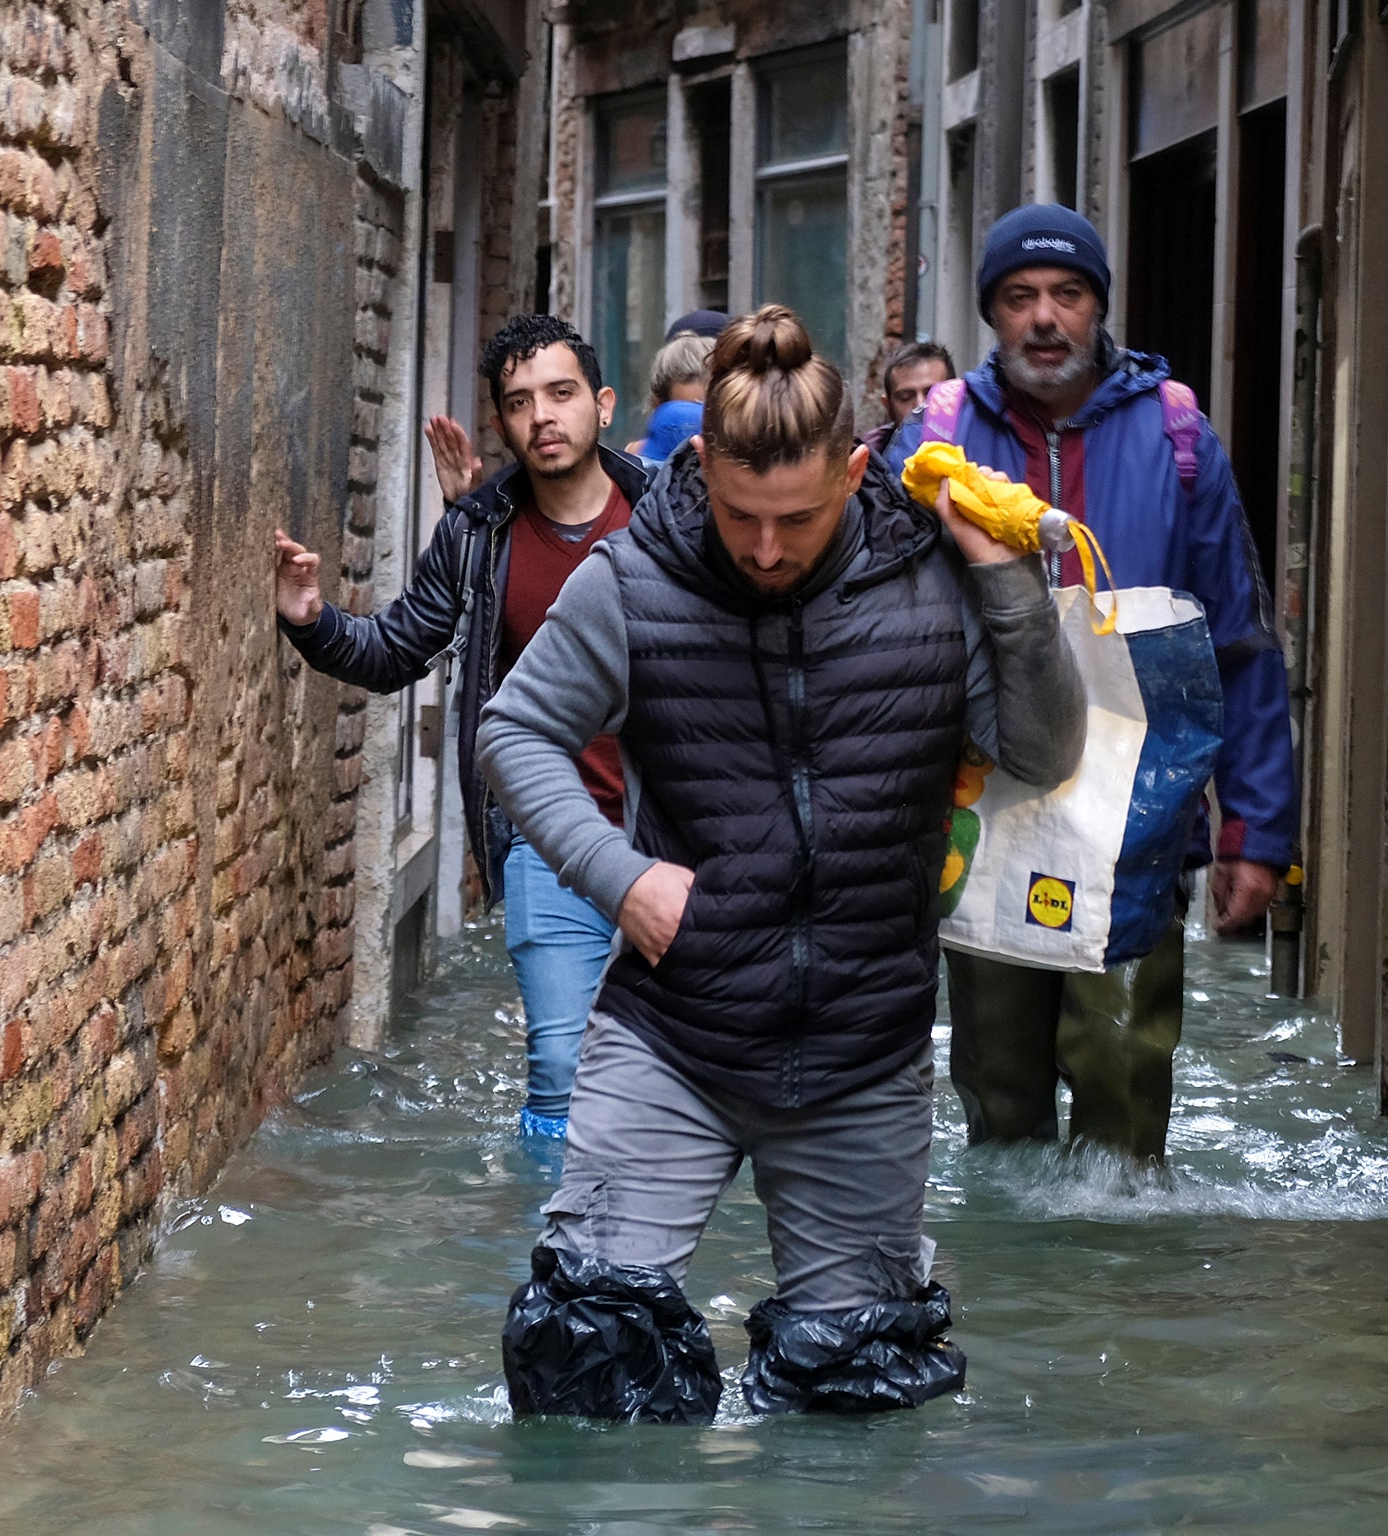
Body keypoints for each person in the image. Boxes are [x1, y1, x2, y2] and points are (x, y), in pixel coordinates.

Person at [476, 304, 1085, 1421]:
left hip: (862, 1048)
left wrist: (1003, 581)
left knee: (847, 1409)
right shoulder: (633, 582)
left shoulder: (935, 586)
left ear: (856, 471)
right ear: (697, 465)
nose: (763, 548)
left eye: (795, 520)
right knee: (585, 1372)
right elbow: (512, 733)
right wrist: (621, 878)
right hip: (674, 1034)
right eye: (738, 513)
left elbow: (1043, 752)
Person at [889, 203, 1298, 1165]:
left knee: (1124, 1074)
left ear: (1098, 307)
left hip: (1140, 817)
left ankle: (1113, 1288)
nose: (1045, 317)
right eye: (1021, 297)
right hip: (985, 800)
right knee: (998, 1088)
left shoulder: (1178, 435)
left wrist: (1255, 831)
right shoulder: (937, 439)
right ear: (992, 312)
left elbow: (1236, 643)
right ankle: (1017, 1297)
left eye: (1068, 295)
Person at [273, 315, 647, 1139]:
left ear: (603, 404)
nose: (543, 416)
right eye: (520, 403)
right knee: (559, 1068)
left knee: (680, 1064)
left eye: (561, 393)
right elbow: (397, 648)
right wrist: (310, 619)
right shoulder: (476, 534)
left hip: (676, 827)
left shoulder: (669, 515)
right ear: (504, 423)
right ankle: (559, 1251)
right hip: (548, 832)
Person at [625, 331, 715, 464]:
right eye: (683, 418)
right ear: (657, 406)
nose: (696, 439)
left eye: (711, 414)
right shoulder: (636, 465)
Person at [859, 340, 955, 461]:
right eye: (905, 397)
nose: (920, 405)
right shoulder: (868, 459)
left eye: (932, 394)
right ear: (888, 406)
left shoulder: (979, 443)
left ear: (956, 397)